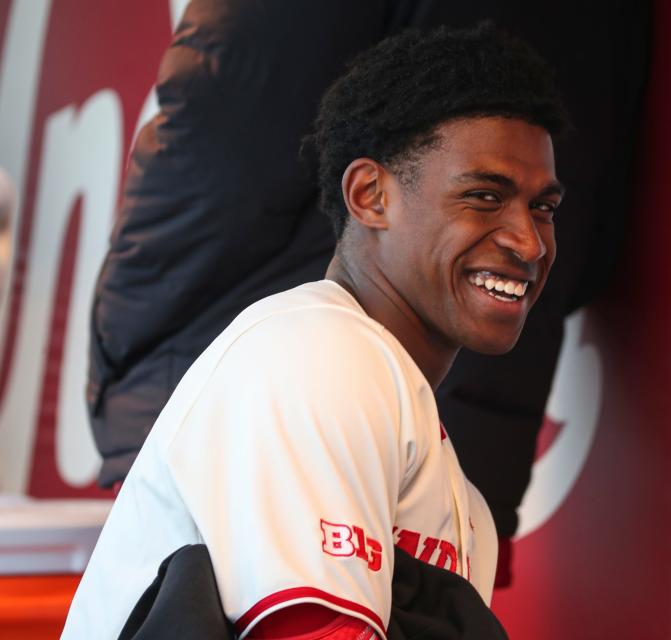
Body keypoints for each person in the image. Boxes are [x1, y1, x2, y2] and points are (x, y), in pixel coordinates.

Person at [64, 23, 568, 639]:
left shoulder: (463, 501)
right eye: (485, 196)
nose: (528, 240)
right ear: (370, 195)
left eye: (543, 207)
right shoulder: (315, 351)